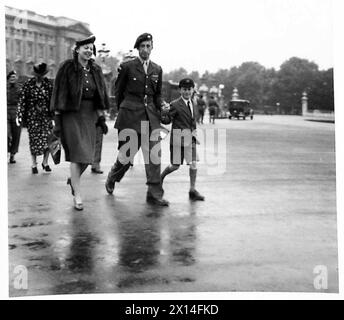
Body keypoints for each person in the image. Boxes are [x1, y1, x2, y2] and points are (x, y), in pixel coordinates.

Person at [105, 32, 169, 206]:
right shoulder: (127, 67)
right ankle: (112, 176)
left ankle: (154, 194)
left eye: (148, 46)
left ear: (152, 48)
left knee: (154, 156)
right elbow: (118, 93)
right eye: (142, 46)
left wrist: (161, 104)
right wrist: (123, 111)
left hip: (151, 119)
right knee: (126, 157)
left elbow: (157, 95)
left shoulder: (157, 69)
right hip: (131, 117)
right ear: (138, 48)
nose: (145, 50)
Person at [51, 35, 109, 210]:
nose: (89, 50)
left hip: (90, 115)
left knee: (88, 157)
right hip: (71, 115)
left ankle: (73, 181)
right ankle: (77, 195)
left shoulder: (96, 70)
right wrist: (57, 119)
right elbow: (58, 93)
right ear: (77, 49)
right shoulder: (67, 67)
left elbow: (100, 96)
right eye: (85, 47)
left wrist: (101, 117)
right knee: (78, 155)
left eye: (91, 47)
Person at [160, 78, 205, 201]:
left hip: (190, 139)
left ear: (192, 90)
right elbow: (167, 120)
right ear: (180, 90)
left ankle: (192, 190)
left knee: (194, 164)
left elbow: (193, 121)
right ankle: (160, 178)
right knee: (175, 166)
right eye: (184, 89)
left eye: (189, 89)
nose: (187, 92)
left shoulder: (194, 103)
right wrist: (162, 112)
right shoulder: (174, 104)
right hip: (178, 139)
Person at [16, 63, 54, 173]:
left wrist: (53, 117)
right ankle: (34, 163)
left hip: (45, 116)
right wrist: (19, 115)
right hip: (32, 117)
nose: (40, 76)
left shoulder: (48, 85)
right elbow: (22, 101)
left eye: (41, 74)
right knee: (34, 141)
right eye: (38, 74)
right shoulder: (28, 84)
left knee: (47, 140)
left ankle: (45, 162)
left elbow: (52, 101)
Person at [7, 70, 22, 164]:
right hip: (6, 112)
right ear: (8, 79)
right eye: (11, 77)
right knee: (6, 134)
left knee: (16, 135)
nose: (13, 78)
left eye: (14, 77)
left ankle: (12, 155)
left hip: (16, 112)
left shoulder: (20, 88)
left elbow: (24, 101)